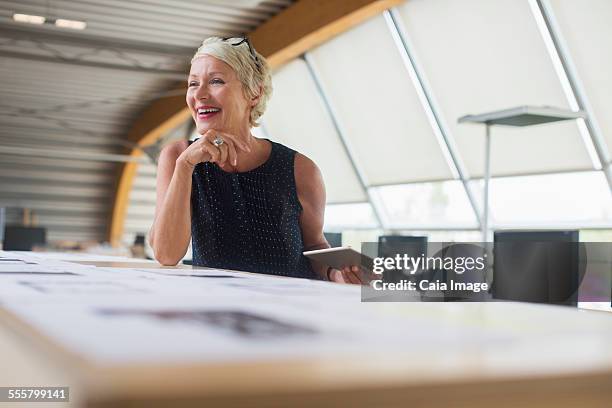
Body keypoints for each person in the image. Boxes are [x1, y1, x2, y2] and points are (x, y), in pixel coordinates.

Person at [148, 36, 366, 284]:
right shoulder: (178, 157)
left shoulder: (300, 169)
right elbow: (166, 254)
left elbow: (315, 244)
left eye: (216, 81)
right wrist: (185, 167)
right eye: (193, 84)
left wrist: (335, 273)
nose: (200, 94)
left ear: (254, 93)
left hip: (291, 307)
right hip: (217, 311)